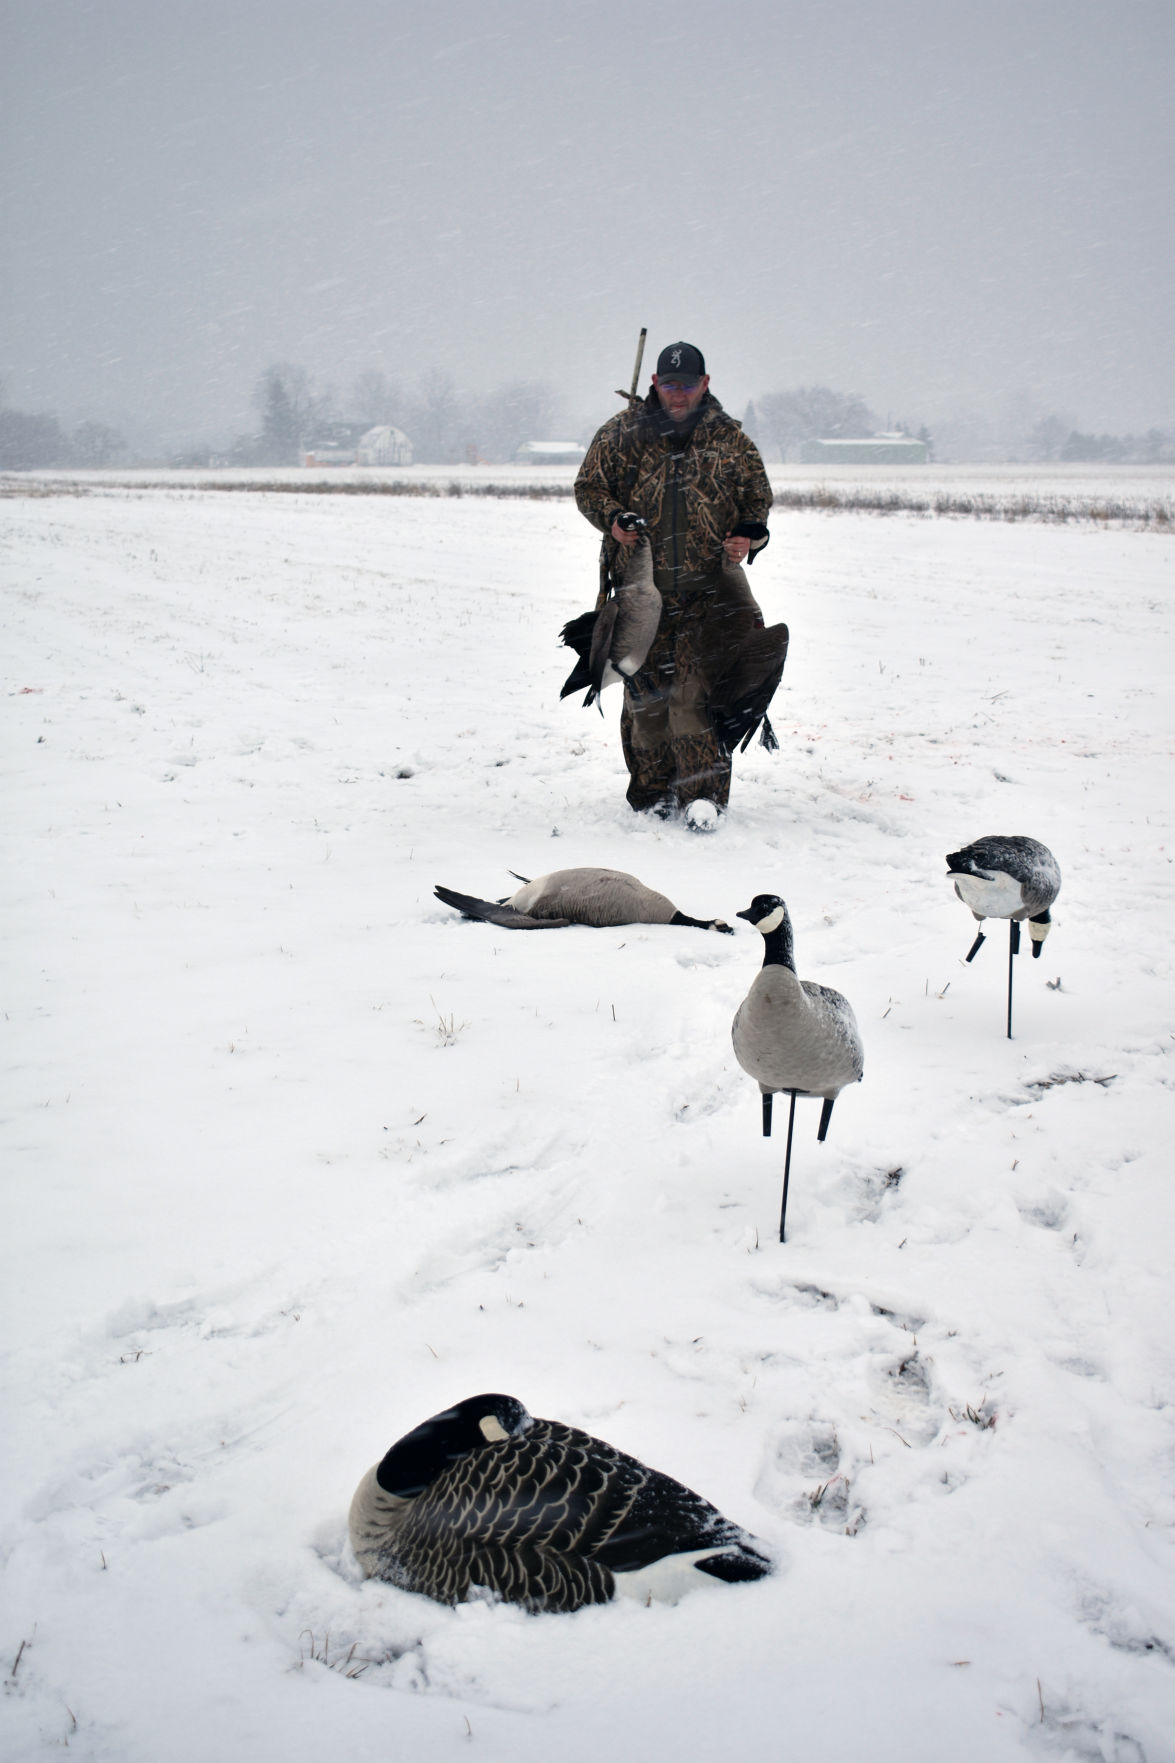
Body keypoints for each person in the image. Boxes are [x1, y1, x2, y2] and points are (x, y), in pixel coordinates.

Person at [574, 341, 773, 829]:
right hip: (643, 596)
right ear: (654, 385)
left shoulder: (731, 440)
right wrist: (612, 520)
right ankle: (651, 794)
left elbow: (756, 500)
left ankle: (702, 798)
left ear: (705, 384)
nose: (677, 394)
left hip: (710, 595)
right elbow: (588, 488)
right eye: (669, 384)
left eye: (687, 384)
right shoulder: (621, 434)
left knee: (697, 698)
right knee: (646, 699)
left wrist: (750, 535)